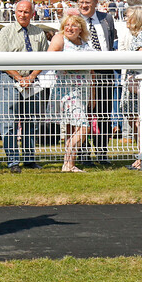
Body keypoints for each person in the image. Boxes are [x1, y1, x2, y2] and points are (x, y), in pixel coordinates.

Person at [0, 0, 49, 173]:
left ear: (32, 13)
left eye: (26, 12)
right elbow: (0, 60)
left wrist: (31, 76)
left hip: (32, 81)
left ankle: (29, 158)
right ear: (14, 12)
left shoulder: (39, 33)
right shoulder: (6, 32)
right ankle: (13, 160)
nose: (22, 15)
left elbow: (46, 58)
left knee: (31, 121)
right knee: (8, 121)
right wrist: (18, 77)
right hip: (9, 80)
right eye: (19, 11)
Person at [47, 14, 94, 172]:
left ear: (80, 29)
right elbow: (50, 58)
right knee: (83, 126)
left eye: (74, 25)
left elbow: (92, 70)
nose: (69, 28)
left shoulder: (85, 44)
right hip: (66, 91)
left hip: (82, 90)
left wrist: (92, 94)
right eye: (67, 25)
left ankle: (69, 164)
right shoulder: (60, 39)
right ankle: (68, 163)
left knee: (72, 129)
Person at [76, 0, 117, 166]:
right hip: (82, 74)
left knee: (104, 114)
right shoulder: (74, 21)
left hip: (104, 73)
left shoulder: (107, 19)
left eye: (87, 3)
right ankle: (83, 154)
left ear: (95, 3)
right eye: (81, 2)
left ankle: (102, 152)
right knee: (83, 115)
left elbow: (111, 41)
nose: (84, 6)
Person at [121, 6, 142, 170]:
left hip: (139, 89)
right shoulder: (138, 35)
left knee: (141, 124)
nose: (126, 18)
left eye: (128, 16)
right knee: (138, 124)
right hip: (135, 89)